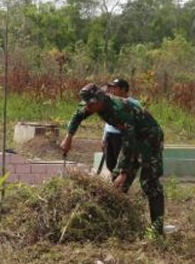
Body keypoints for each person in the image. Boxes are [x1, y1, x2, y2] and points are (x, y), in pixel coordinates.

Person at [60, 83, 166, 234]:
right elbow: (78, 113)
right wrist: (68, 137)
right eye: (87, 104)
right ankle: (119, 226)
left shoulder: (119, 110)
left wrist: (125, 172)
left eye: (91, 105)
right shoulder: (93, 104)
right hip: (131, 137)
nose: (88, 108)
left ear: (100, 100)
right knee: (117, 183)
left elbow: (130, 142)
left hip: (149, 137)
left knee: (150, 182)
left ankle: (157, 230)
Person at [101, 78, 141, 173]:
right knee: (110, 164)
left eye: (115, 88)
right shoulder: (111, 102)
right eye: (112, 88)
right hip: (110, 135)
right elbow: (107, 122)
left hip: (122, 136)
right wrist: (103, 137)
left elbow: (138, 122)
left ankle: (121, 184)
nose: (112, 90)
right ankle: (114, 183)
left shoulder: (133, 103)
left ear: (123, 89)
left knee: (121, 163)